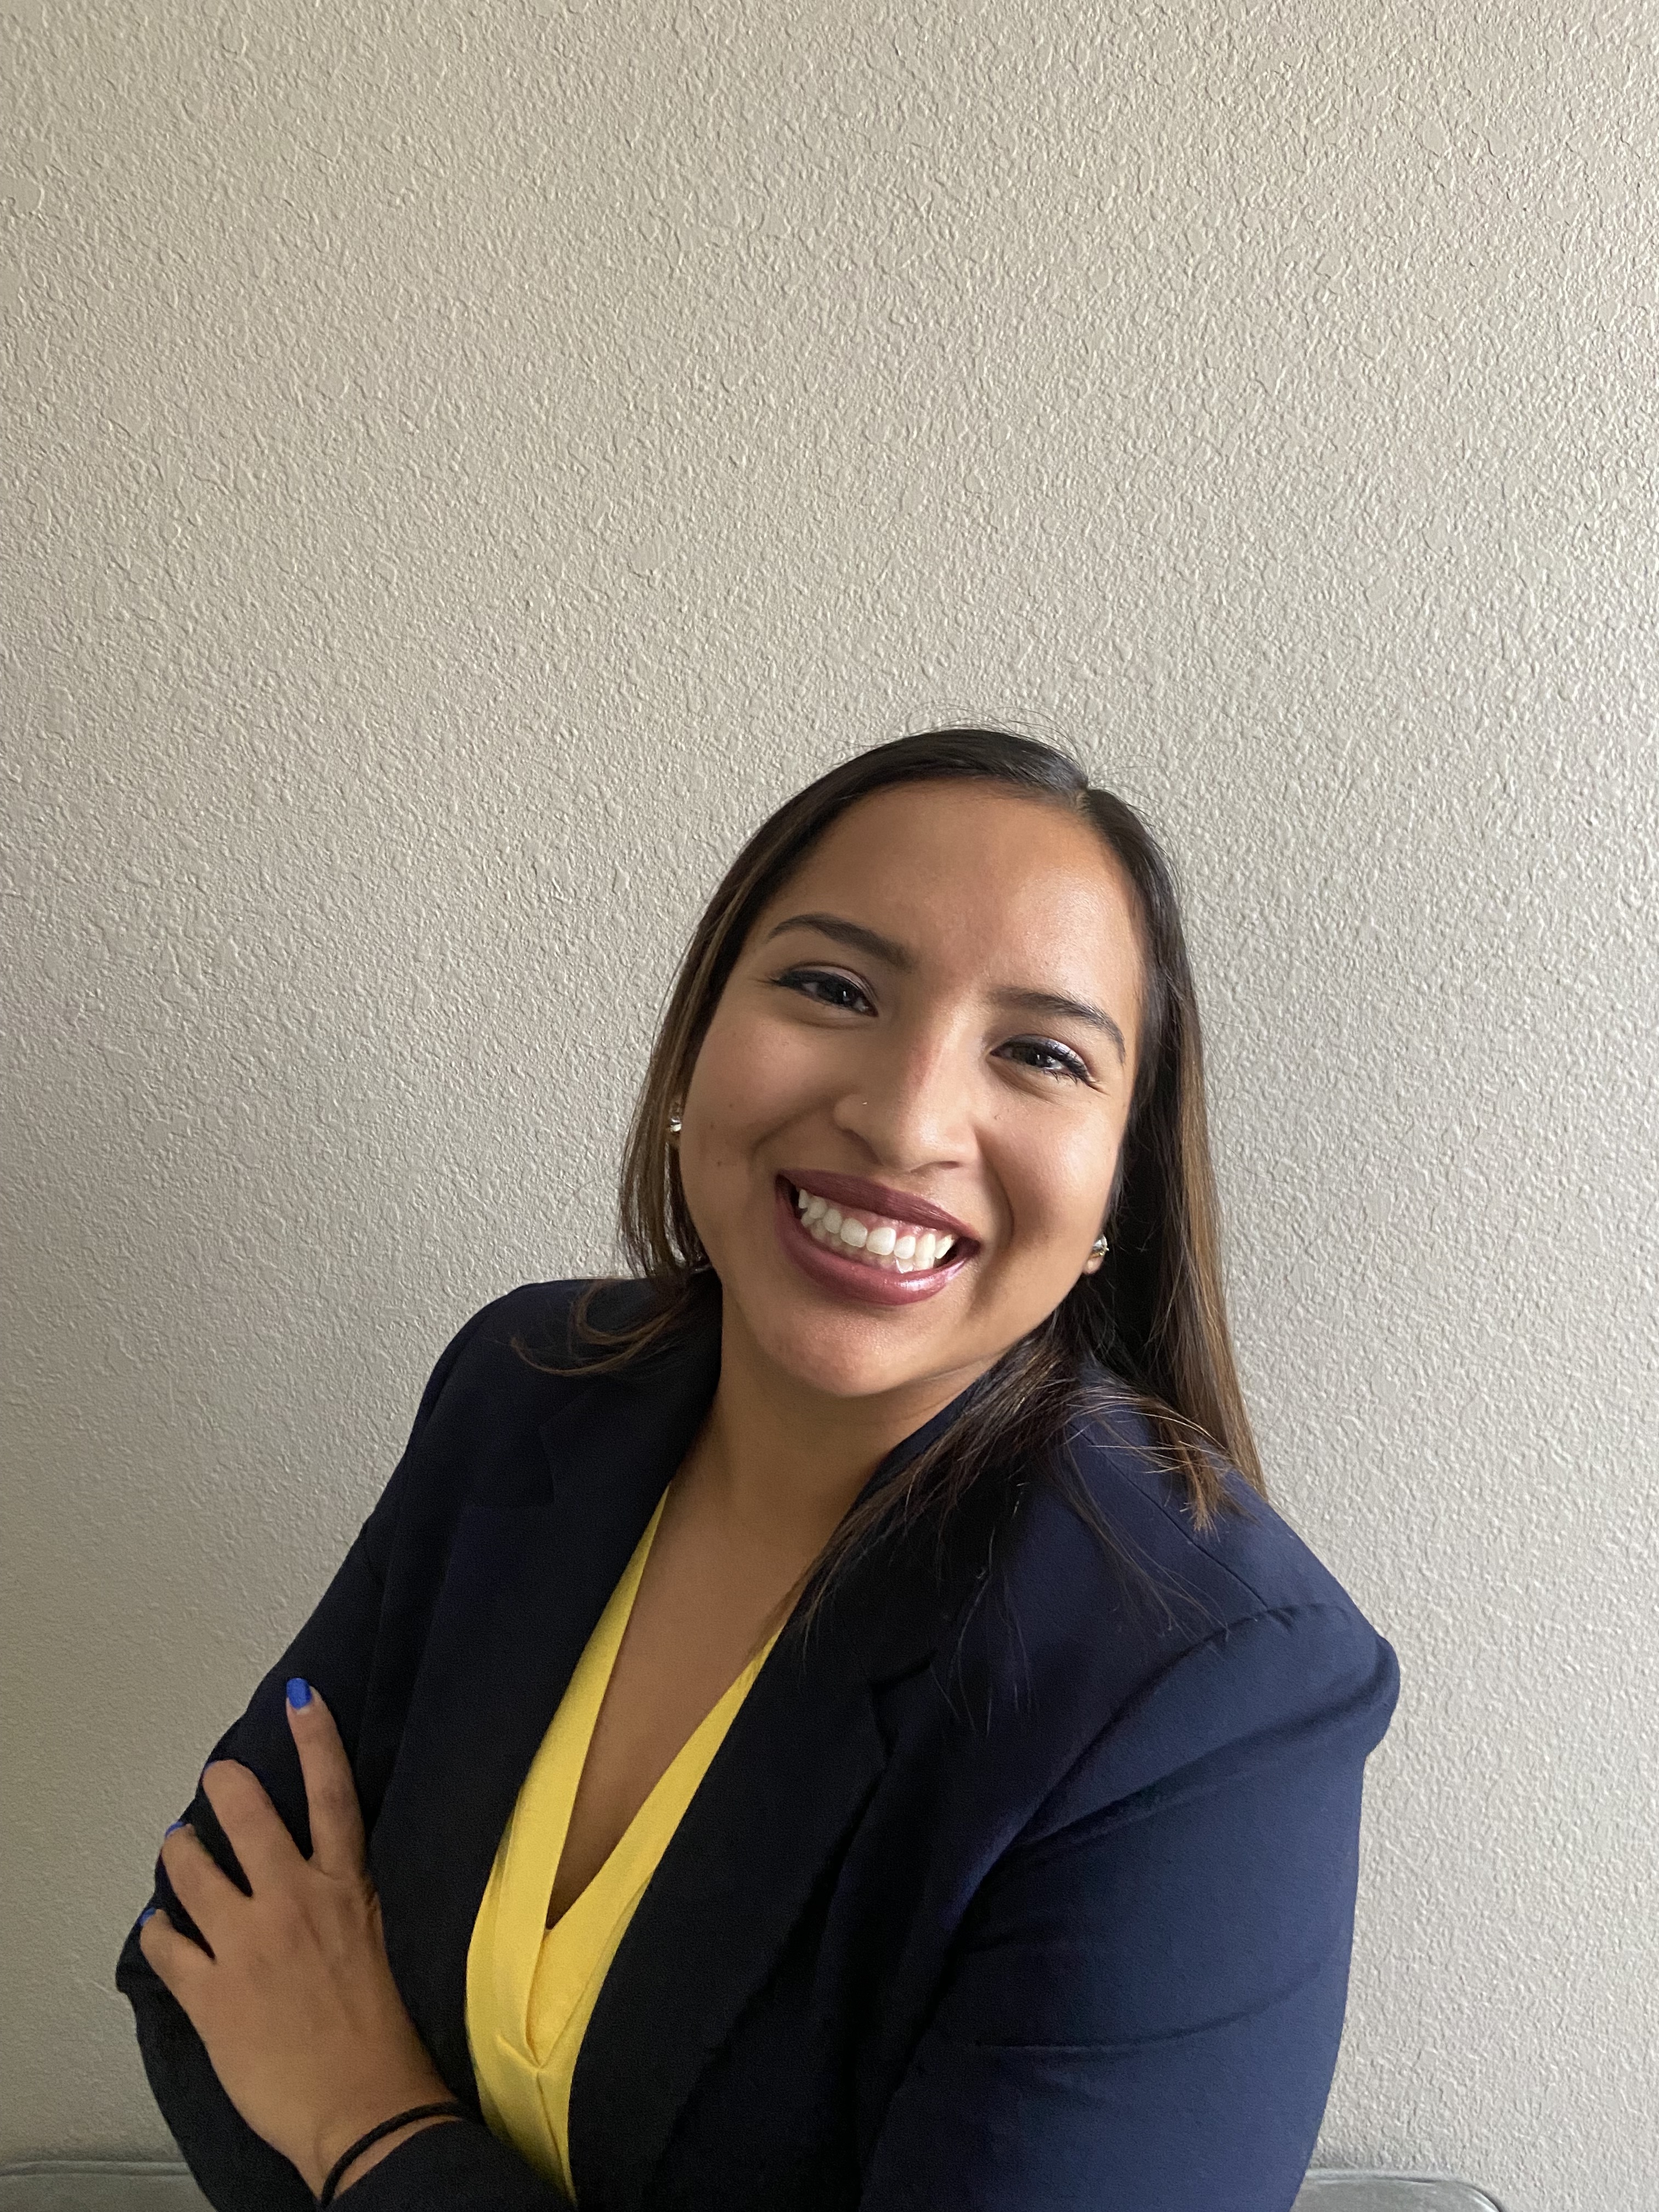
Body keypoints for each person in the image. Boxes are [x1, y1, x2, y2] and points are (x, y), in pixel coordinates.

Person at [117, 726, 1400, 2212]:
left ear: (1117, 1197)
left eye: (1041, 1054)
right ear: (694, 1044)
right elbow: (199, 1969)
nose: (907, 1118)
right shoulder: (522, 1393)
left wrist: (366, 2127)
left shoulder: (1211, 1695)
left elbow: (297, 2071)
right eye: (833, 988)